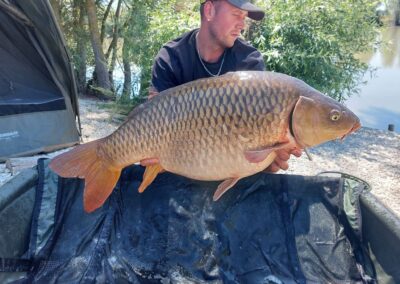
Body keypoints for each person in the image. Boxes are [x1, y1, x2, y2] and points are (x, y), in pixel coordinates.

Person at [149, 0, 301, 172]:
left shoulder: (249, 61)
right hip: (180, 163)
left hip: (228, 164)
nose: (242, 25)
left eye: (244, 18)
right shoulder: (171, 58)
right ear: (209, 11)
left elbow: (254, 137)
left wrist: (268, 159)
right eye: (236, 14)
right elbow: (154, 122)